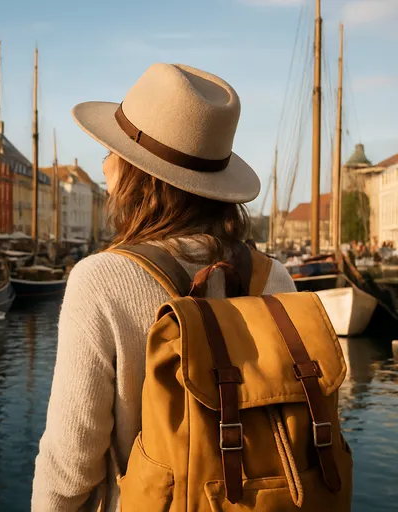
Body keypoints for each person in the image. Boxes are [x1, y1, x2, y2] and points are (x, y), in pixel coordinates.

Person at [31, 63, 297, 511]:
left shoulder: (100, 280)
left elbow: (70, 467)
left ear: (136, 173)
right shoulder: (275, 278)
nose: (103, 164)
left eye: (110, 151)